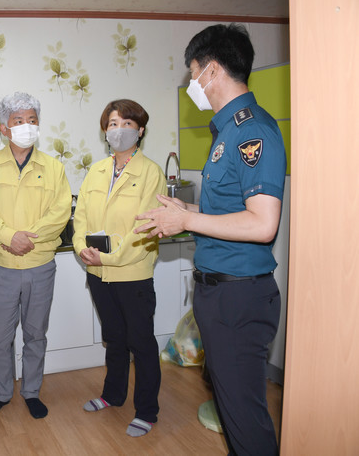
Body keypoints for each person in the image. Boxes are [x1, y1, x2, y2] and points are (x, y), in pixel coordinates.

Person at [135, 24, 286, 455]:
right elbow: (229, 211)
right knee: (233, 411)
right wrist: (185, 211)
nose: (191, 84)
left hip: (238, 298)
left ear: (213, 70)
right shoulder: (227, 131)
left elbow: (262, 224)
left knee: (245, 419)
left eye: (192, 73)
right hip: (221, 296)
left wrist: (188, 221)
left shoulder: (252, 131)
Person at [0, 92, 71, 420]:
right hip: (3, 267)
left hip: (40, 265)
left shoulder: (53, 168)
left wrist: (27, 239)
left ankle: (31, 391)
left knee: (35, 335)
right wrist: (8, 237)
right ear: (4, 128)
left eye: (32, 120)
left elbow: (60, 213)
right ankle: (1, 393)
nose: (27, 126)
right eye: (18, 120)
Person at [72, 99, 167, 438]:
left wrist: (108, 259)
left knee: (140, 342)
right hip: (98, 273)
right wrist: (82, 249)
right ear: (105, 130)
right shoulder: (97, 171)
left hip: (132, 273)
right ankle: (112, 395)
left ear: (140, 131)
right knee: (114, 338)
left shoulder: (151, 173)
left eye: (127, 123)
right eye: (113, 123)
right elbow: (81, 216)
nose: (119, 130)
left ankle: (147, 411)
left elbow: (144, 229)